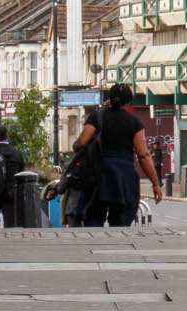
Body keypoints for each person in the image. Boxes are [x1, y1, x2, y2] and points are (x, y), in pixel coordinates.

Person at [69, 86, 162, 228]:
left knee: (93, 217)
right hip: (123, 177)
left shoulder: (97, 116)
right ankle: (118, 246)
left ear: (110, 98)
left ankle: (92, 246)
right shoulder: (135, 122)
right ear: (128, 101)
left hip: (98, 175)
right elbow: (143, 155)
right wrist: (155, 184)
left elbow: (82, 142)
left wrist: (77, 146)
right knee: (121, 221)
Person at [0, 122, 28, 230]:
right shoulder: (16, 153)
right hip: (10, 193)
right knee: (11, 224)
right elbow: (21, 173)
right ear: (7, 136)